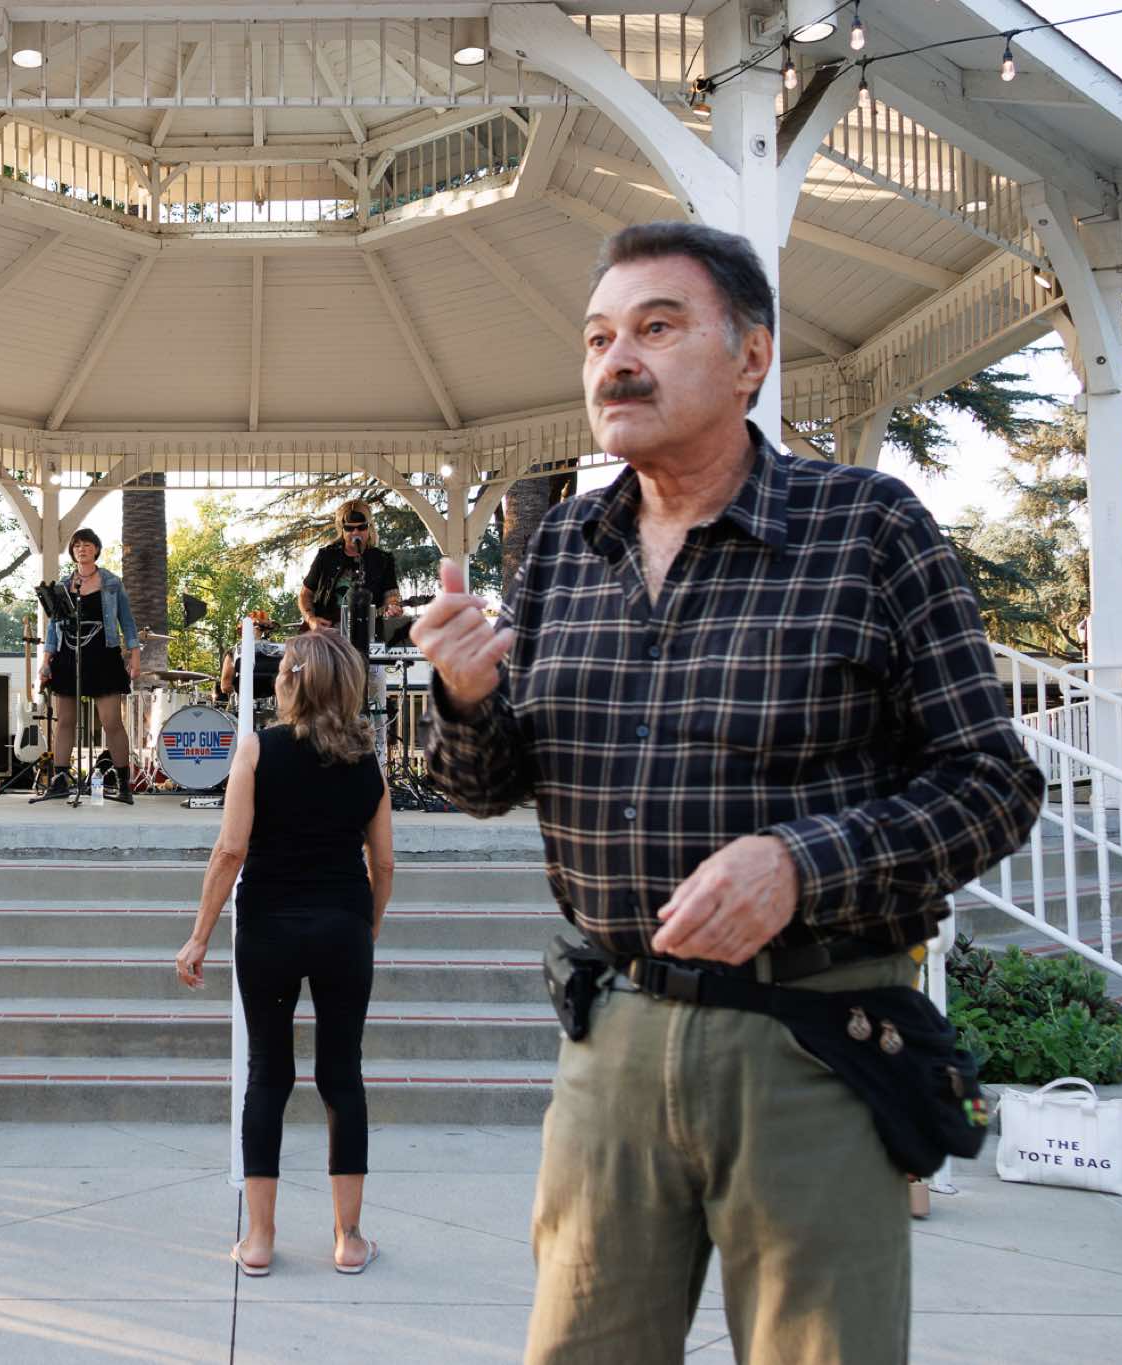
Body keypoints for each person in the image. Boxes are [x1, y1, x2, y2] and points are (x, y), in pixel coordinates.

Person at [411, 222, 1045, 1364]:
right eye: (599, 337)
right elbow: (482, 786)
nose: (617, 361)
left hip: (811, 1046)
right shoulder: (560, 551)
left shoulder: (867, 527)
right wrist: (461, 699)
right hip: (612, 1039)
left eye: (656, 328)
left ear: (751, 356)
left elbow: (993, 782)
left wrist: (801, 864)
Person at [175, 630, 393, 1277]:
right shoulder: (367, 761)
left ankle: (260, 1239)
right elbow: (383, 862)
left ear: (294, 682)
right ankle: (348, 1239)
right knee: (342, 1076)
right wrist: (368, 926)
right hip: (343, 927)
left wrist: (199, 934)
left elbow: (230, 850)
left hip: (268, 928)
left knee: (268, 1075)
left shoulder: (256, 750)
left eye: (281, 670)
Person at [38, 528, 141, 801]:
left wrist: (135, 657)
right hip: (68, 654)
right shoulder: (63, 585)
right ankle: (60, 780)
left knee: (111, 721)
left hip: (102, 654)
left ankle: (123, 783)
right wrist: (46, 661)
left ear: (96, 549)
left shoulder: (112, 583)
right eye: (76, 546)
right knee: (64, 721)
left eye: (86, 545)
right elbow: (53, 628)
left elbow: (127, 622)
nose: (81, 549)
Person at [299, 500, 403, 765]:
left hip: (368, 640)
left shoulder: (381, 560)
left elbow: (392, 596)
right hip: (329, 639)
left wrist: (393, 607)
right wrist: (311, 619)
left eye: (361, 527)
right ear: (342, 528)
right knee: (326, 698)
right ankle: (323, 758)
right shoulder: (326, 556)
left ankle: (376, 763)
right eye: (350, 528)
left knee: (376, 698)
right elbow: (305, 594)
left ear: (369, 528)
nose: (356, 533)